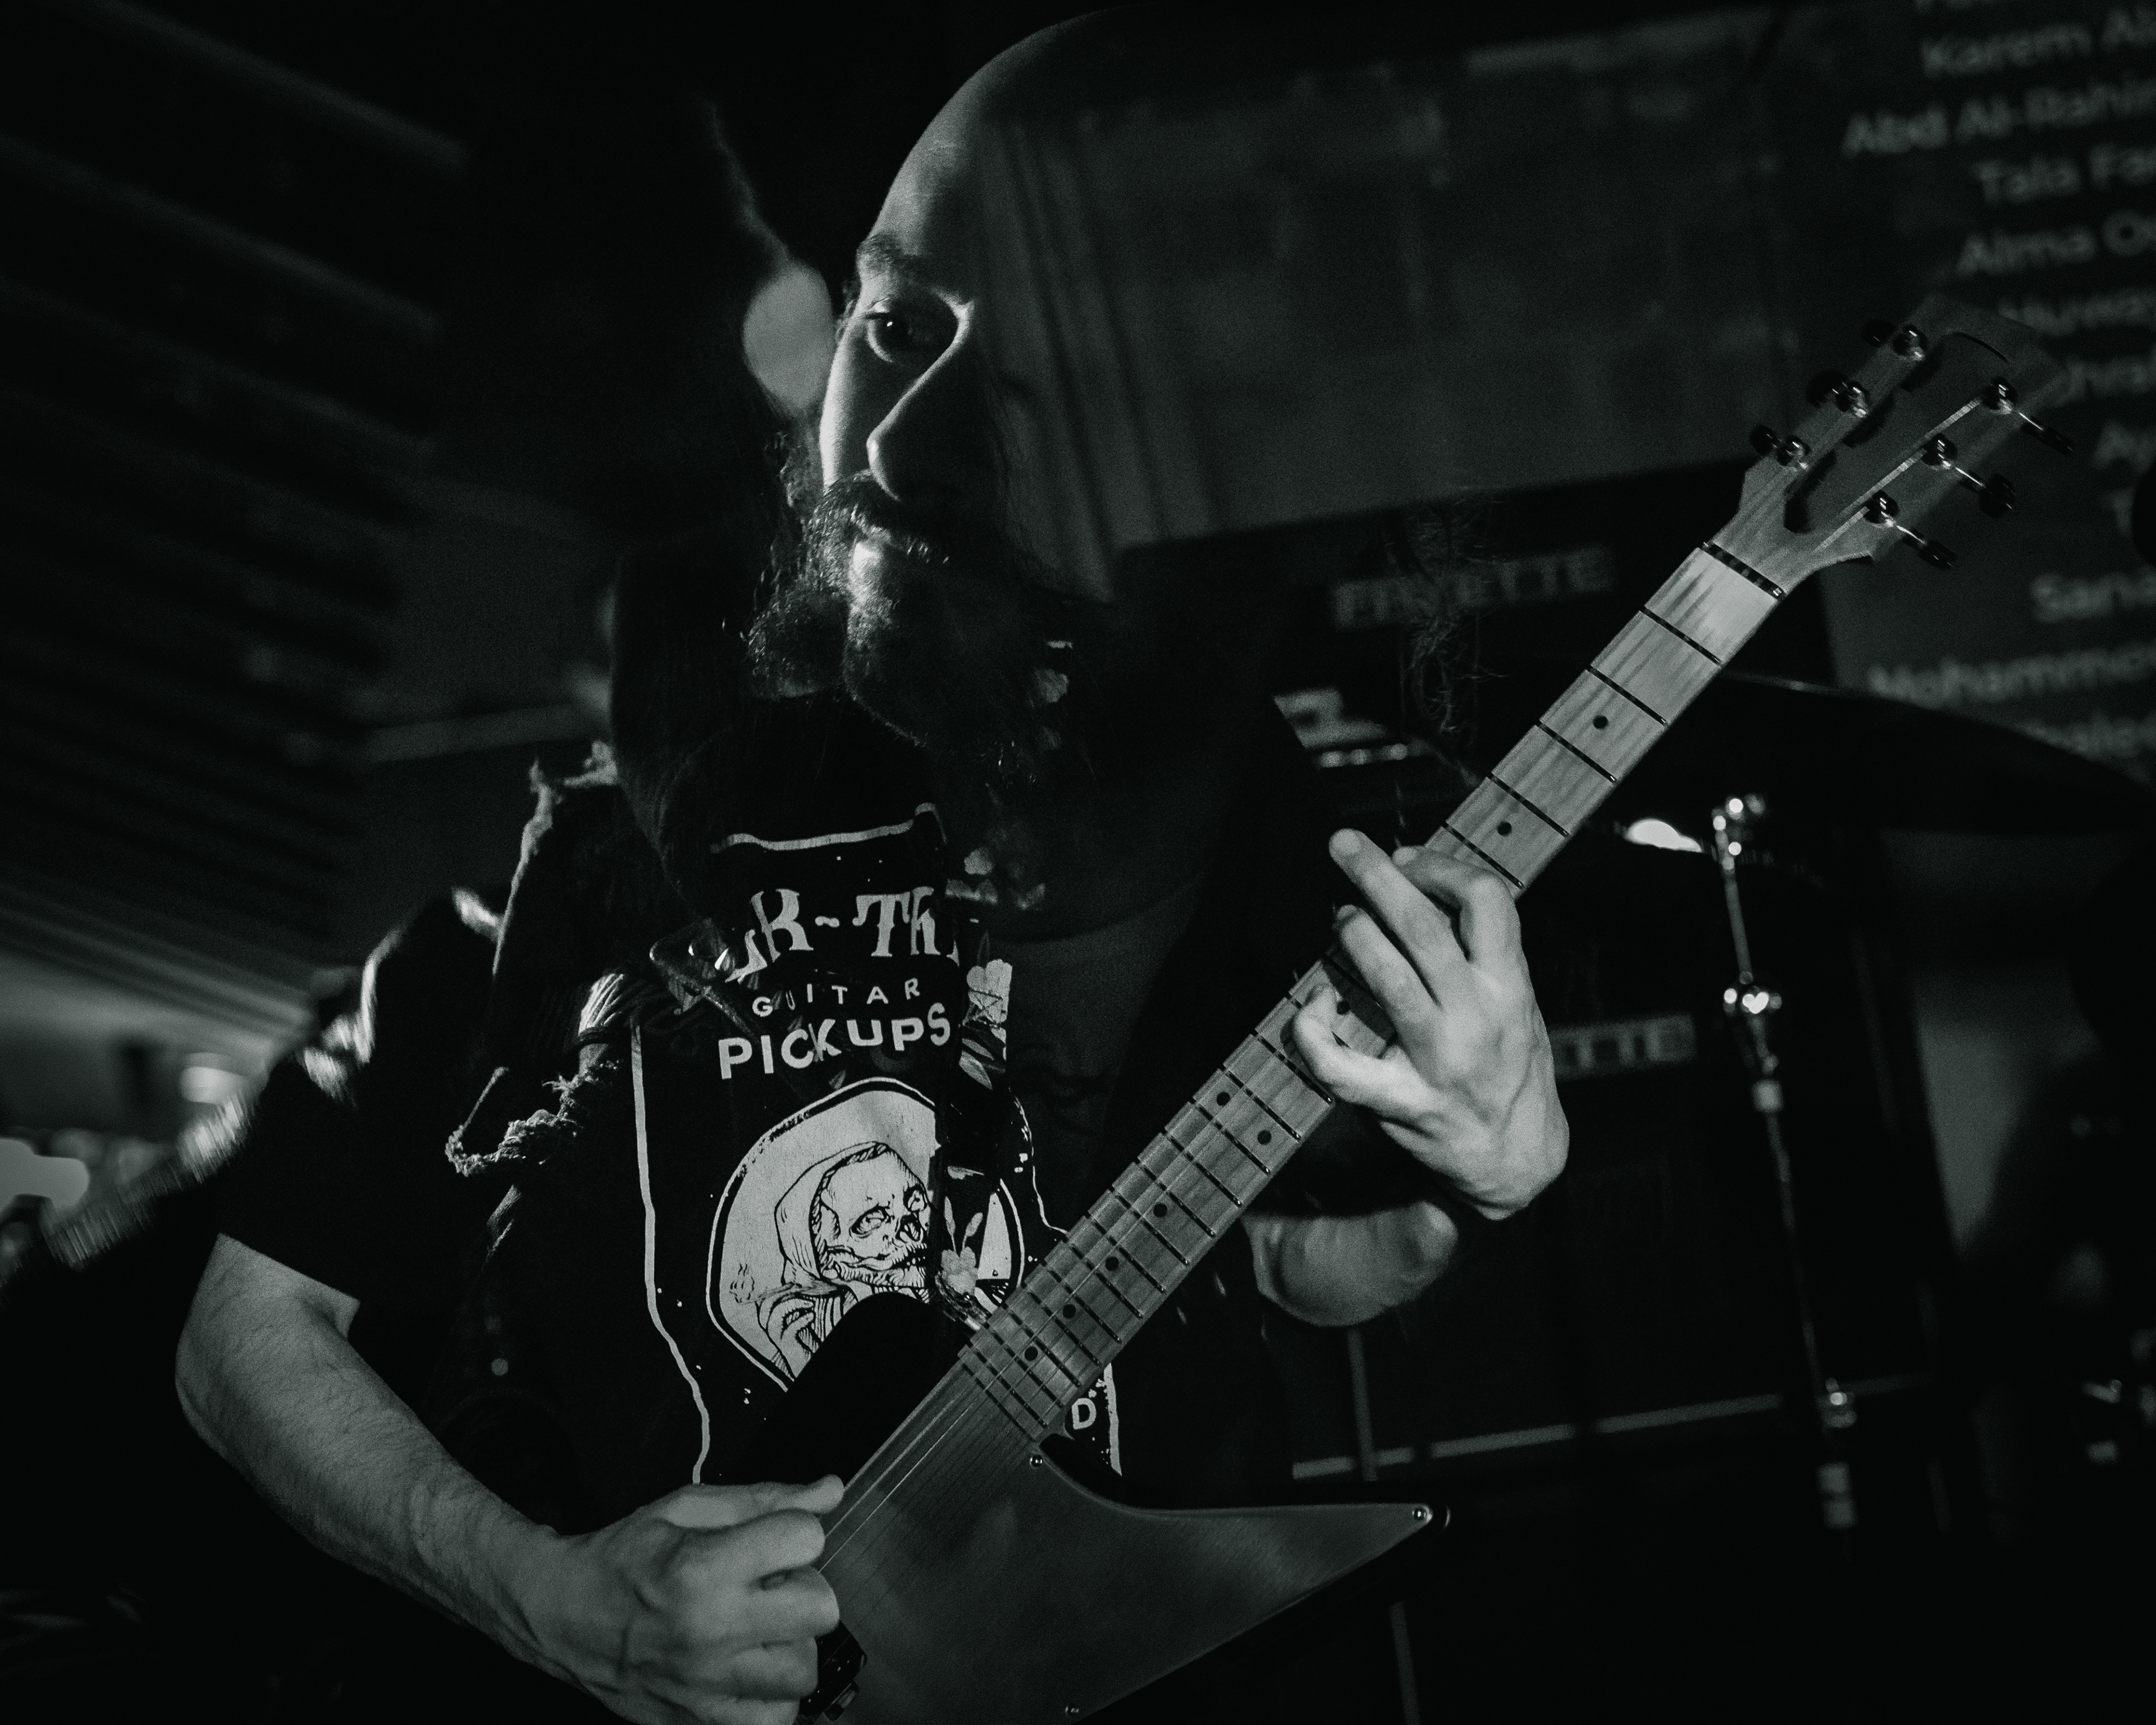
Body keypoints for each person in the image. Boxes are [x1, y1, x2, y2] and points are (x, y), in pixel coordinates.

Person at [176, 16, 1567, 1724]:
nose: (897, 441)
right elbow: (249, 1328)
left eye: (1025, 387)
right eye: (889, 325)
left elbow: (1291, 1263)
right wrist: (554, 1603)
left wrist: (1459, 1182)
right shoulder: (581, 817)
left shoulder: (1222, 798)